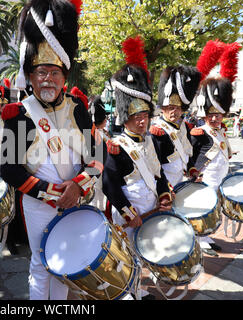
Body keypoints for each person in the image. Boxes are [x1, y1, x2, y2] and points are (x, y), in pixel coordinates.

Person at [0, 0, 104, 300]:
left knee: (66, 261)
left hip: (76, 195)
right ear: (30, 77)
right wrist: (53, 193)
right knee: (42, 262)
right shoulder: (19, 114)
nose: (47, 79)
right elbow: (10, 170)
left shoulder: (78, 108)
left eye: (54, 73)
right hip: (39, 202)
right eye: (40, 72)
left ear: (64, 77)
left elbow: (96, 155)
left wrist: (79, 185)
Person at [102, 37, 173, 300]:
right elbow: (109, 185)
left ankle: (139, 290)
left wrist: (164, 195)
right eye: (136, 117)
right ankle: (129, 294)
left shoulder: (151, 141)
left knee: (144, 253)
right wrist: (129, 213)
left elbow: (159, 174)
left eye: (145, 116)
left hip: (152, 208)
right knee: (129, 256)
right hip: (131, 214)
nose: (142, 121)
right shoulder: (116, 147)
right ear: (126, 117)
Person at [187, 41, 241, 256]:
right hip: (205, 177)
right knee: (203, 209)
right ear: (206, 115)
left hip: (219, 175)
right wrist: (194, 173)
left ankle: (206, 236)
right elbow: (192, 156)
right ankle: (199, 239)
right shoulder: (199, 132)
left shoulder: (221, 130)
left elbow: (222, 149)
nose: (216, 118)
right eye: (212, 115)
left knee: (213, 209)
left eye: (219, 114)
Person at [150, 65, 201, 188]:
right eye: (170, 108)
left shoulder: (184, 127)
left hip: (179, 180)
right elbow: (153, 167)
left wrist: (192, 169)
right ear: (163, 108)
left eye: (178, 108)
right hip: (162, 184)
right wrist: (164, 188)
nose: (174, 111)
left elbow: (186, 154)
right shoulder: (157, 131)